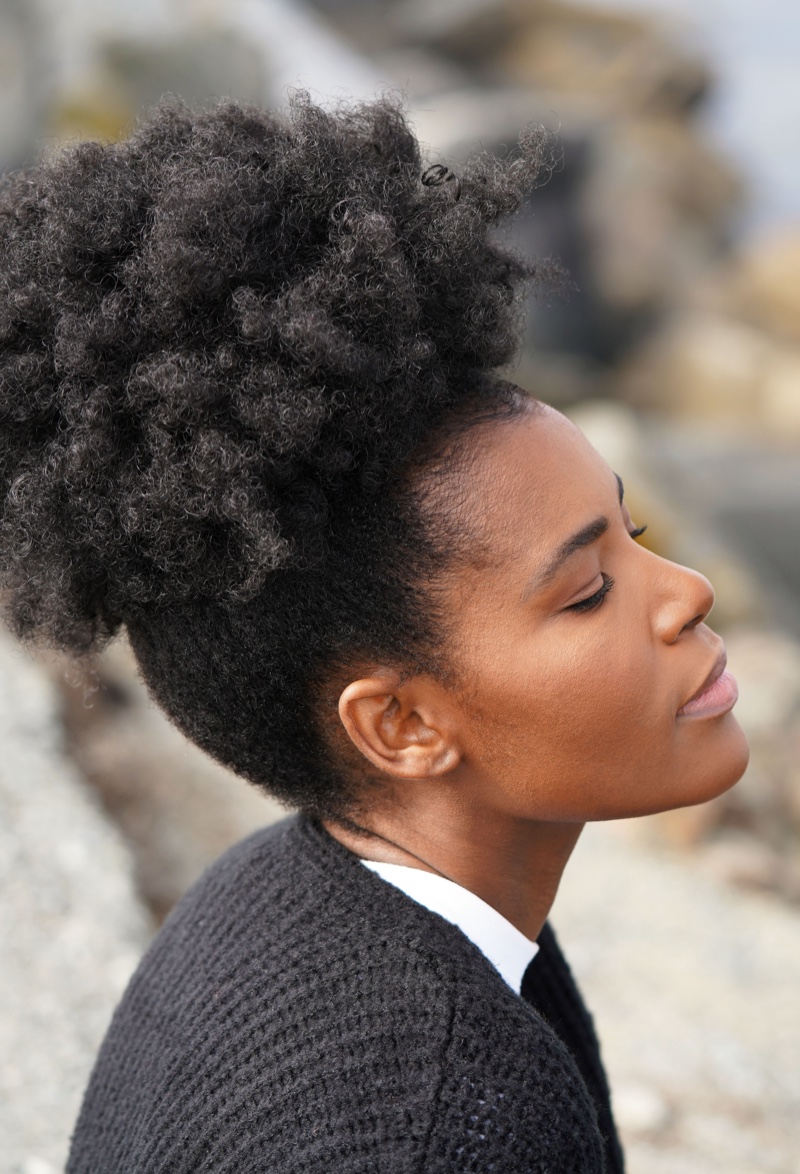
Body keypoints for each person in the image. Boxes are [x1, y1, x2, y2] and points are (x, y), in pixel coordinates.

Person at [0, 94, 748, 1172]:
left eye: (634, 532)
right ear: (399, 724)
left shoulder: (293, 897)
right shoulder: (430, 1126)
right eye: (586, 589)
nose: (686, 592)